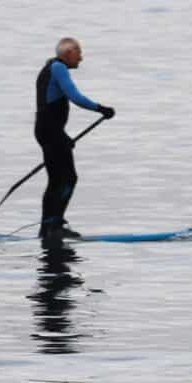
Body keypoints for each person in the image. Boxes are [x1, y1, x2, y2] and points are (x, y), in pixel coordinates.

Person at [35, 37, 114, 238]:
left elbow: (50, 110)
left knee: (55, 181)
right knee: (68, 178)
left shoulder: (49, 68)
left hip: (46, 131)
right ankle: (55, 226)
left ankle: (47, 228)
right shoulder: (59, 68)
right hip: (51, 133)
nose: (81, 58)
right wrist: (101, 109)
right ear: (68, 53)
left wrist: (63, 136)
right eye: (79, 53)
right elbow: (75, 96)